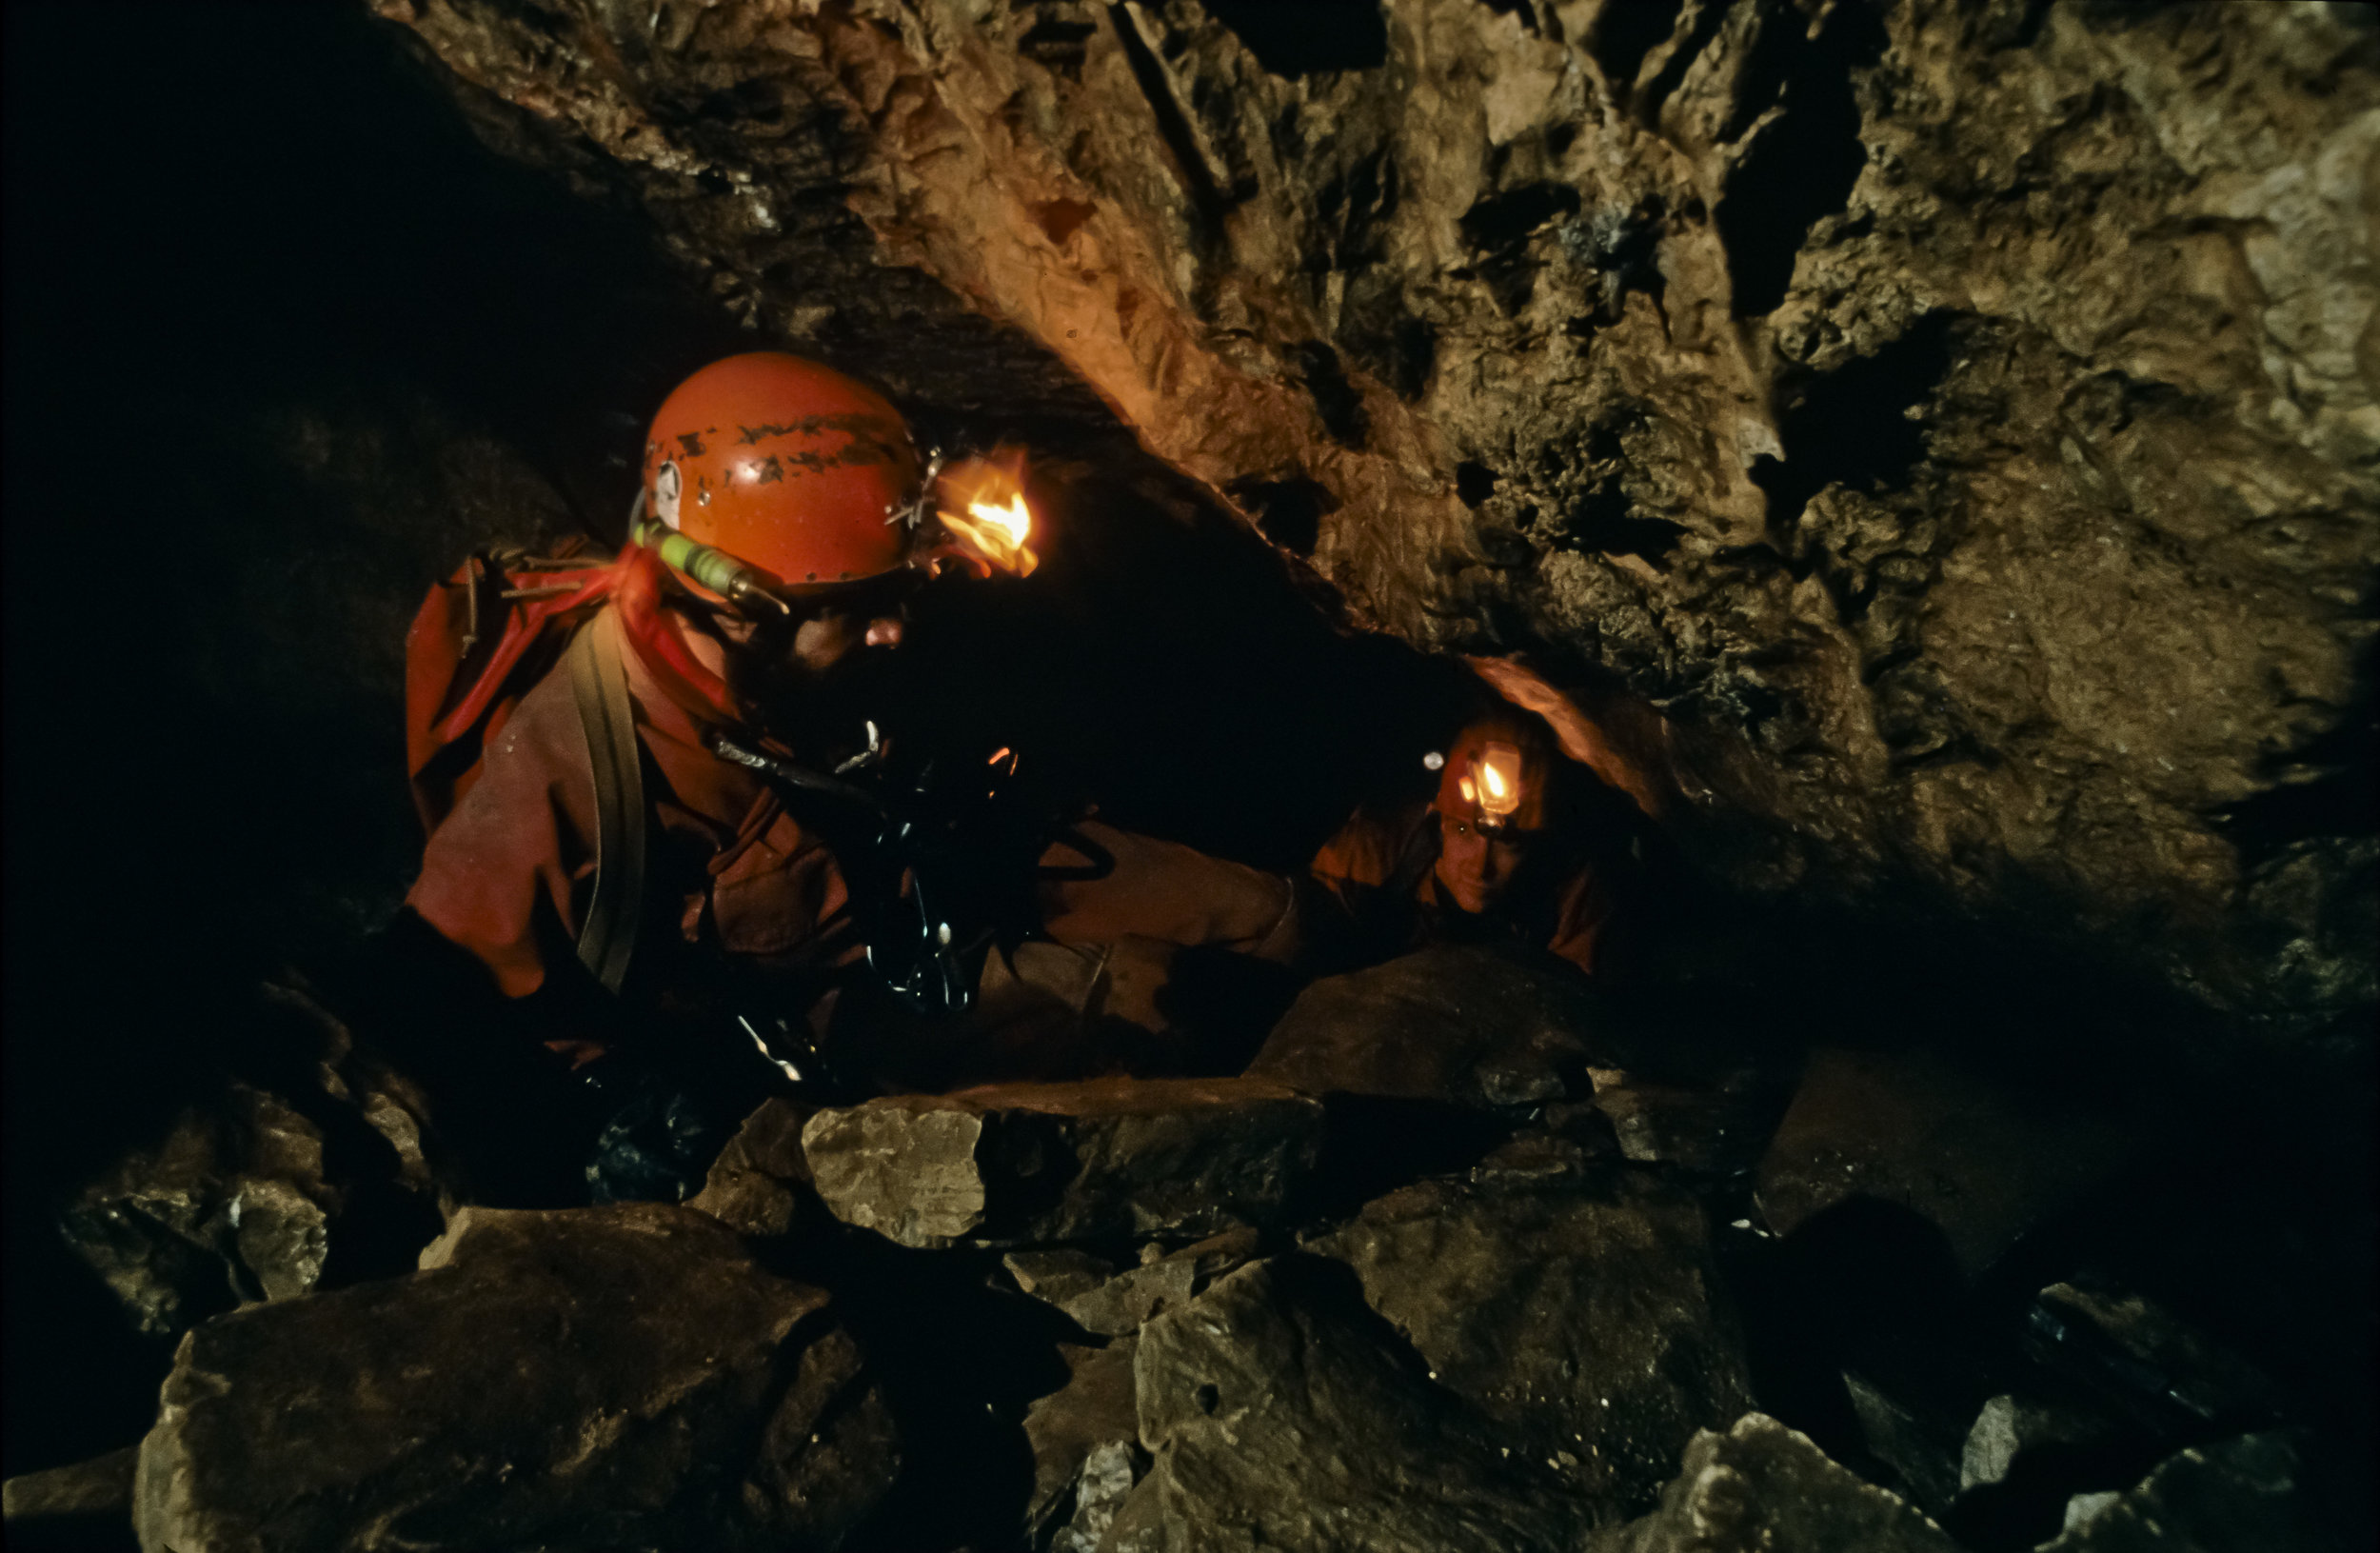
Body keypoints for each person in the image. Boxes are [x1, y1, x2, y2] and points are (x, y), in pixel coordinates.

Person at [370, 350, 1006, 1200]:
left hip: (910, 928)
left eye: (896, 594)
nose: (893, 631)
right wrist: (607, 1102)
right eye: (855, 608)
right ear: (739, 609)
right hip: (815, 1038)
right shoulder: (572, 763)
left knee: (1238, 918)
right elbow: (431, 1003)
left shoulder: (790, 675)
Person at [1305, 667, 1655, 981]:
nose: (1480, 866)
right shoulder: (1373, 853)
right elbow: (1308, 935)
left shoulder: (1574, 898)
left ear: (1539, 846)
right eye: (1462, 831)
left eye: (1508, 844)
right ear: (1437, 822)